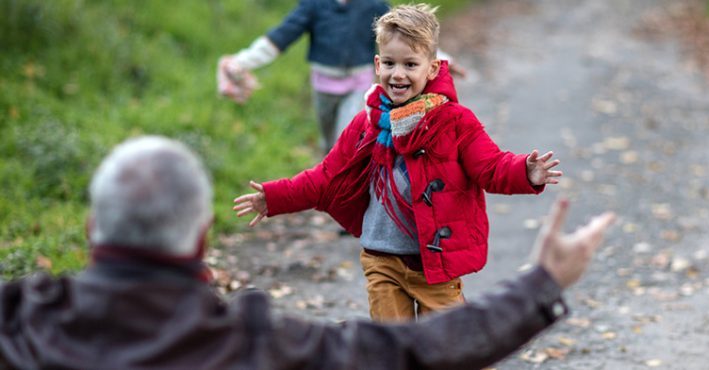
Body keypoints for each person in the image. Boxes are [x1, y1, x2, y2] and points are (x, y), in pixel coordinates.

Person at [0, 135, 616, 369]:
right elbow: (416, 352)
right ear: (203, 235)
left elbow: (484, 162)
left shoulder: (20, 318)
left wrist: (522, 172)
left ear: (90, 229)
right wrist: (542, 283)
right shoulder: (251, 341)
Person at [233, 4, 563, 322]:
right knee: (390, 350)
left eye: (410, 64)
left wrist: (525, 171)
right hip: (382, 259)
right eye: (390, 63)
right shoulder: (366, 123)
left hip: (435, 265)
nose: (398, 74)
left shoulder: (454, 121)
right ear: (377, 64)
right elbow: (325, 178)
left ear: (432, 68)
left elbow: (490, 166)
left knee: (449, 349)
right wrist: (273, 198)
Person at [218, 0, 466, 152]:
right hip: (323, 86)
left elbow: (409, 37)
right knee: (330, 144)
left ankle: (349, 204)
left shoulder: (373, 5)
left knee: (347, 138)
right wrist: (241, 61)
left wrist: (442, 59)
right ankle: (331, 176)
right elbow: (281, 37)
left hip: (357, 85)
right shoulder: (314, 5)